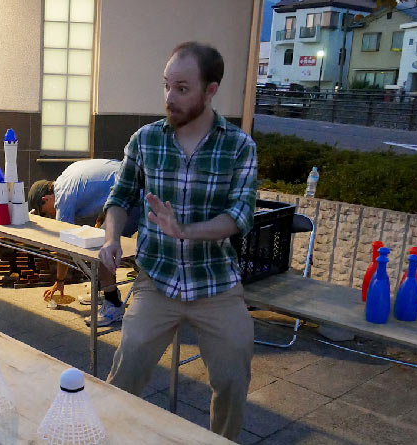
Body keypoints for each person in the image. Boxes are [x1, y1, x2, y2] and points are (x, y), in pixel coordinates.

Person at [99, 42, 257, 440]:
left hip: (216, 284)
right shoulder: (146, 140)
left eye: (182, 88)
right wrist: (112, 237)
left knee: (233, 380)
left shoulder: (239, 147)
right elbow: (120, 197)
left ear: (210, 90)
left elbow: (240, 217)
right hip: (157, 278)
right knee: (127, 368)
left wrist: (184, 230)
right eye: (166, 86)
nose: (170, 97)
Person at [27, 159, 140, 326]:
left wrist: (60, 281)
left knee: (102, 249)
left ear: (45, 199)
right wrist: (102, 216)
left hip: (131, 197)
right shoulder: (66, 177)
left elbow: (63, 247)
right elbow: (101, 186)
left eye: (47, 213)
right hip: (132, 186)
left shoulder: (62, 198)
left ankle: (113, 306)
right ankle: (106, 291)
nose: (52, 216)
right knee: (99, 239)